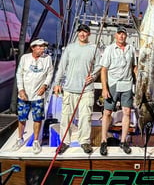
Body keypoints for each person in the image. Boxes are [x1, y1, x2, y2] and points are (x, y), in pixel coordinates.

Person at [54, 24, 101, 154]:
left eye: (85, 32)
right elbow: (62, 67)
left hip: (86, 90)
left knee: (86, 117)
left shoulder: (94, 49)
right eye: (80, 32)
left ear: (89, 34)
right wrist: (56, 83)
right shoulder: (70, 48)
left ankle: (84, 141)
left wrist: (93, 76)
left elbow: (98, 66)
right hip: (69, 89)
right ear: (78, 33)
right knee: (66, 118)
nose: (82, 34)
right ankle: (64, 142)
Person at [100, 26, 137, 155]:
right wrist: (105, 88)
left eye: (124, 34)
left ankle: (123, 141)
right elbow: (103, 69)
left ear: (126, 36)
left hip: (127, 84)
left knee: (127, 112)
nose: (121, 36)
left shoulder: (131, 49)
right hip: (113, 84)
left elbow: (134, 67)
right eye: (119, 34)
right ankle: (103, 140)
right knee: (107, 112)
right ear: (115, 35)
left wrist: (139, 83)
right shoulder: (109, 49)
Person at [12, 38, 53, 154]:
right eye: (39, 47)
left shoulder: (47, 59)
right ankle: (19, 139)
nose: (42, 49)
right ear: (33, 48)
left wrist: (45, 86)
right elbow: (19, 74)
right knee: (22, 118)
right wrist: (21, 90)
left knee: (37, 118)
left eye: (43, 47)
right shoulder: (25, 58)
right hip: (24, 95)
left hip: (38, 95)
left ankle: (36, 141)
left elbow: (50, 73)